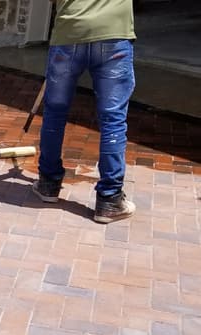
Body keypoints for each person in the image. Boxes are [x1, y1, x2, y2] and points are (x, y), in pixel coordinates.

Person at [32, 0, 137, 223]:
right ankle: (110, 199)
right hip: (113, 33)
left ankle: (48, 183)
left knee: (54, 114)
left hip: (70, 33)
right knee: (113, 119)